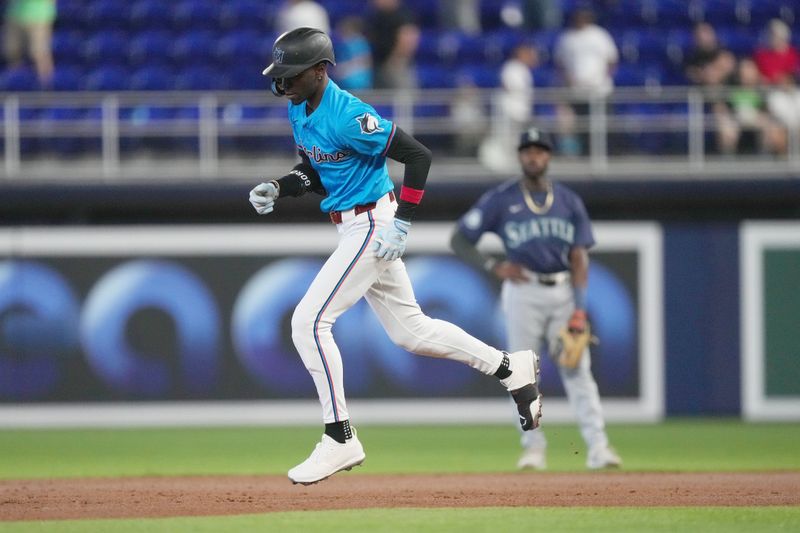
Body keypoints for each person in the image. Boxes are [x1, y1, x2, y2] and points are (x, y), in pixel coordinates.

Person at [249, 27, 542, 485]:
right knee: (412, 333)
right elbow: (318, 171)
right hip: (352, 222)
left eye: (290, 73)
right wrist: (281, 186)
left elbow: (417, 155)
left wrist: (402, 221)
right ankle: (510, 367)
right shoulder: (299, 109)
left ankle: (339, 437)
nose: (282, 82)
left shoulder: (348, 113)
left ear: (320, 71)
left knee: (308, 322)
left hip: (372, 224)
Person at [450, 126, 622, 471]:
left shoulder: (569, 201)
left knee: (578, 370)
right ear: (519, 156)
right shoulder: (501, 199)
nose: (534, 155)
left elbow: (579, 257)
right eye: (528, 150)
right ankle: (533, 448)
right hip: (523, 292)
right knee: (522, 374)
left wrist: (580, 310)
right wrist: (494, 265)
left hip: (562, 291)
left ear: (549, 155)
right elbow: (460, 238)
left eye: (540, 150)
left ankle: (598, 447)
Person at [552, 5, 618, 156]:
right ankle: (586, 154)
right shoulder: (567, 38)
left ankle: (606, 154)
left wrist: (602, 78)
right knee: (582, 126)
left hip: (599, 90)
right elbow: (560, 64)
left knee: (602, 125)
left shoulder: (600, 35)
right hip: (577, 91)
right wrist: (568, 80)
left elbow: (612, 60)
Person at [752, 19, 800, 132]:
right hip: (771, 91)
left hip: (791, 90)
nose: (775, 38)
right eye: (772, 35)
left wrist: (786, 81)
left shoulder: (793, 54)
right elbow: (759, 77)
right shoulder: (762, 54)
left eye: (778, 36)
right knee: (777, 103)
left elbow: (794, 75)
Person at [365, 0, 420, 91]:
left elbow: (409, 39)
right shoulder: (375, 16)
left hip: (395, 65)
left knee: (401, 99)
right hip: (378, 65)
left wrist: (395, 60)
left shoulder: (403, 15)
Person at [2, 0, 56, 86]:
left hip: (38, 17)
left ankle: (46, 89)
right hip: (14, 16)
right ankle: (13, 86)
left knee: (39, 54)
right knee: (12, 52)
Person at [331, 16, 373, 91]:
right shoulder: (344, 44)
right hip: (345, 85)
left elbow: (364, 61)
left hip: (360, 84)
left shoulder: (360, 43)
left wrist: (343, 70)